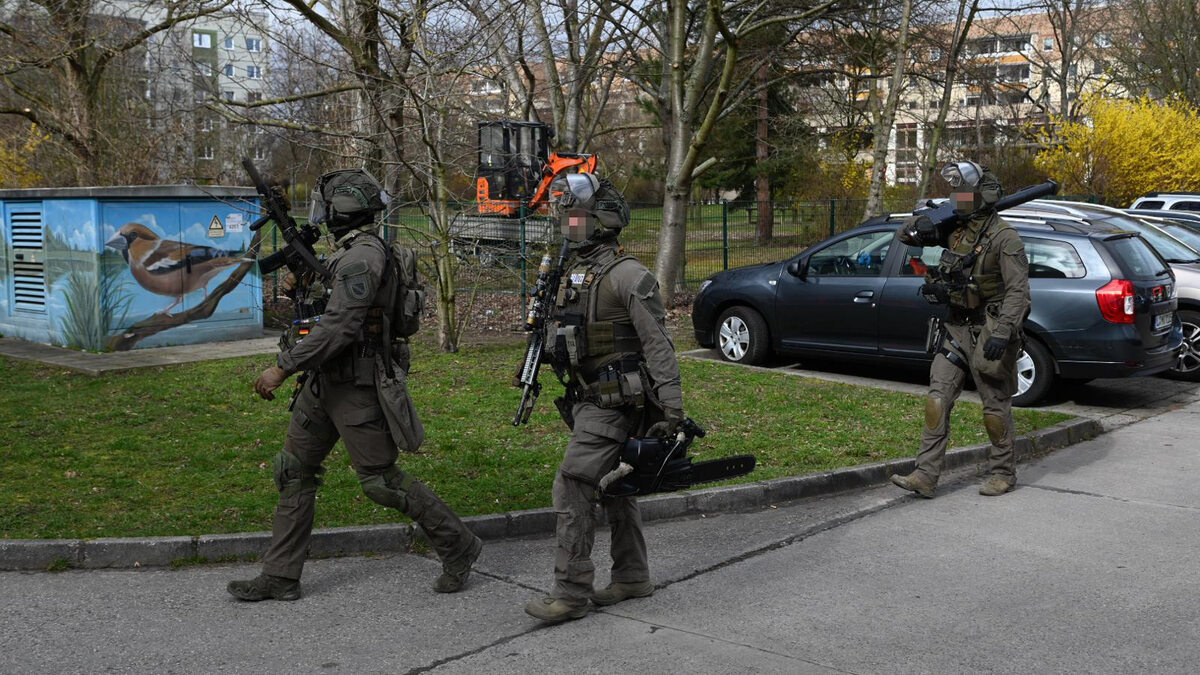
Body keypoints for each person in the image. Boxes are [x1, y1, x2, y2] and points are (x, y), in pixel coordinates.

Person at [228, 168, 482, 601]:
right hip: (324, 382)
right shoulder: (346, 253)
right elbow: (330, 309)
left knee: (380, 483)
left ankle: (459, 545)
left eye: (327, 205)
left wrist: (283, 367)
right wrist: (304, 280)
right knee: (293, 472)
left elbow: (341, 327)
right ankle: (281, 576)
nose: (323, 213)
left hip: (357, 385)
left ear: (344, 208)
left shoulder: (363, 257)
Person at [523, 173, 685, 623]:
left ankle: (570, 593)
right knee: (615, 485)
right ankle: (632, 575)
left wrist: (672, 408)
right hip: (588, 396)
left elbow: (659, 344)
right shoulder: (575, 272)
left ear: (599, 221)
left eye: (575, 216)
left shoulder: (629, 275)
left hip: (616, 399)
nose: (565, 222)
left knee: (573, 483)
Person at [891, 161, 1031, 498]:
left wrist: (1003, 332)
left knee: (995, 408)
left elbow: (1019, 292)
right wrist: (926, 219)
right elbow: (905, 235)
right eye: (956, 194)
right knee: (937, 401)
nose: (958, 198)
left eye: (964, 193)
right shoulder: (954, 229)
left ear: (982, 196)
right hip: (955, 327)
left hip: (989, 329)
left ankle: (1003, 472)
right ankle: (925, 476)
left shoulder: (1005, 239)